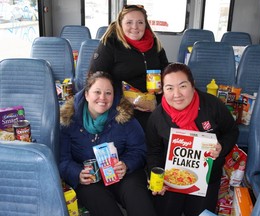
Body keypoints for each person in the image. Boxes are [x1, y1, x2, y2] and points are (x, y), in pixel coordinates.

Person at [146, 63, 239, 216]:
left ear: (193, 85)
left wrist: (221, 147)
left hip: (207, 178)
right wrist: (156, 178)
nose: (176, 94)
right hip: (171, 179)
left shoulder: (212, 105)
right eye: (169, 88)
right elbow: (153, 152)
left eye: (182, 86)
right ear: (162, 90)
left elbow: (232, 131)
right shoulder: (157, 117)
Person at [59, 71, 157, 216]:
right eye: (97, 92)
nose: (102, 98)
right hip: (90, 180)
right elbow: (62, 159)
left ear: (114, 96)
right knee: (102, 205)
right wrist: (77, 173)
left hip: (124, 175)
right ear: (86, 95)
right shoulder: (69, 121)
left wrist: (126, 164)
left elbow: (140, 150)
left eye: (108, 93)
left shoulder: (125, 117)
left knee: (138, 200)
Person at [88, 4, 169, 131]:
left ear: (145, 25)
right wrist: (123, 98)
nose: (135, 27)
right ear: (120, 24)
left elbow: (165, 69)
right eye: (129, 22)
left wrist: (165, 84)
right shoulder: (110, 44)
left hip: (153, 104)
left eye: (140, 22)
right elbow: (95, 78)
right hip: (120, 105)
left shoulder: (155, 44)